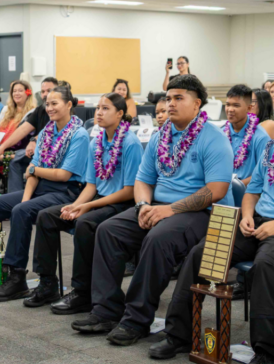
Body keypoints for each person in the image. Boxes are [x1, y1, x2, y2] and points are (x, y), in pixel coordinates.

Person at [150, 93, 274, 364]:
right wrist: (247, 215)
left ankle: (266, 354)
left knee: (265, 266)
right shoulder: (272, 151)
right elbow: (252, 191)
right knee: (202, 253)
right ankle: (179, 334)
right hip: (259, 222)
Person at [72, 74, 233, 346]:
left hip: (202, 212)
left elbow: (214, 191)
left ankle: (136, 320)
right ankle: (107, 311)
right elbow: (143, 180)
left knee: (158, 239)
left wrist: (169, 210)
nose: (170, 104)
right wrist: (144, 205)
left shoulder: (213, 138)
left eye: (178, 98)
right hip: (157, 206)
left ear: (197, 105)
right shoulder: (161, 136)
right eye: (168, 98)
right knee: (108, 230)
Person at [0, 86, 90, 297]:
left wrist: (34, 171)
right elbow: (32, 173)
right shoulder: (47, 132)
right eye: (47, 104)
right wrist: (25, 197)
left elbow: (63, 175)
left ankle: (17, 277)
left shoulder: (79, 135)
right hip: (41, 188)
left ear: (69, 105)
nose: (49, 108)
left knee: (21, 212)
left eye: (55, 103)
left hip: (66, 192)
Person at [24, 93, 143, 311]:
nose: (99, 112)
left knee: (84, 223)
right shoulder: (96, 142)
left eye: (105, 108)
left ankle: (82, 292)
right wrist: (76, 205)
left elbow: (129, 191)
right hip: (97, 199)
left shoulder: (130, 143)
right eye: (98, 108)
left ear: (120, 114)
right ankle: (47, 283)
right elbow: (91, 186)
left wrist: (86, 207)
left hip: (120, 204)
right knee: (47, 216)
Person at [0, 77, 58, 192]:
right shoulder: (40, 109)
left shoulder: (60, 110)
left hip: (51, 152)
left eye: (49, 90)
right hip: (35, 151)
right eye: (43, 91)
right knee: (14, 161)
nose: (45, 94)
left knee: (16, 157)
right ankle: (14, 198)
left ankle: (10, 156)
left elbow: (52, 132)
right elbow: (22, 130)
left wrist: (34, 140)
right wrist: (2, 147)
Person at [223, 85, 271, 186]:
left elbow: (264, 173)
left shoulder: (261, 137)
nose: (230, 109)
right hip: (222, 189)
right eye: (228, 104)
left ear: (249, 108)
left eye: (236, 105)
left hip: (248, 192)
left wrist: (235, 187)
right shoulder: (221, 134)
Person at [0, 80, 33, 178]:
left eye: (20, 90)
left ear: (28, 93)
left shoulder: (31, 113)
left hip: (14, 150)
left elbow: (24, 139)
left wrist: (2, 148)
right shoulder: (6, 111)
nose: (16, 93)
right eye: (14, 91)